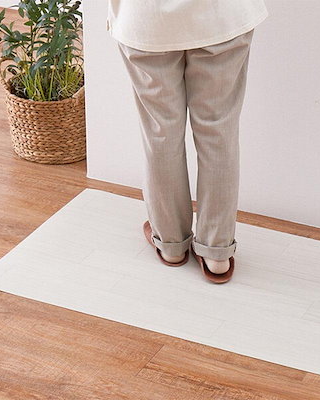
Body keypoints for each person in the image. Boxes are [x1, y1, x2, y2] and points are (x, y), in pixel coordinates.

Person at [106, 0, 268, 283]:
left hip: (147, 20)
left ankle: (170, 244)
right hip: (221, 17)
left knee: (161, 133)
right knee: (218, 132)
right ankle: (217, 253)